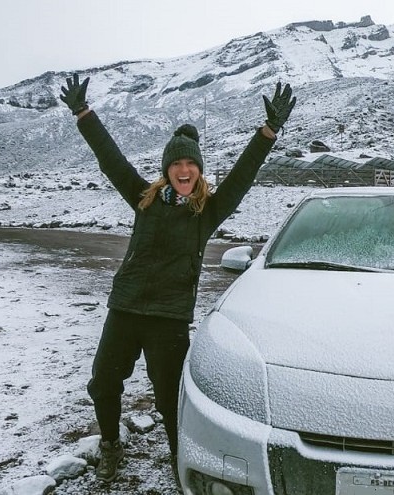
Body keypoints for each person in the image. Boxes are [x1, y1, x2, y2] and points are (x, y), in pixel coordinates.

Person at [58, 73, 296, 485]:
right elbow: (111, 159)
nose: (183, 170)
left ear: (198, 171)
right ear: (167, 169)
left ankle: (177, 454)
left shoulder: (207, 212)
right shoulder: (144, 200)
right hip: (127, 307)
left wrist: (268, 132)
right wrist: (84, 114)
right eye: (176, 163)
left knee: (170, 399)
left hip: (169, 317)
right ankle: (112, 444)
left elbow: (242, 174)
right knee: (103, 382)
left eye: (190, 164)